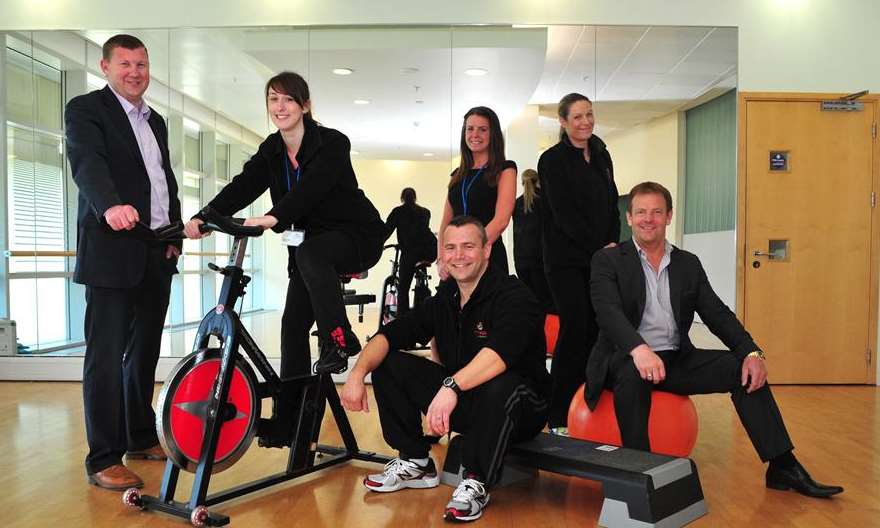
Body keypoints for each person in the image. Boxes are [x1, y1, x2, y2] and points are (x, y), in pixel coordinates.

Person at [588, 181, 843, 498]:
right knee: (631, 377)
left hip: (675, 358)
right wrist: (639, 350)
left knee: (743, 370)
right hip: (625, 358)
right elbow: (608, 313)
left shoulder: (687, 263)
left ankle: (783, 466)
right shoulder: (608, 260)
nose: (648, 219)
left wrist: (752, 352)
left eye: (656, 212)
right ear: (629, 218)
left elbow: (717, 314)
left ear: (669, 216)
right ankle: (640, 477)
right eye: (640, 212)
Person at [184, 71, 386, 443]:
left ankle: (338, 338)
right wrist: (206, 215)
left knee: (311, 252)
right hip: (310, 251)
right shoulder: (272, 150)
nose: (280, 107)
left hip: (355, 235)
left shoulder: (332, 143)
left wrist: (274, 217)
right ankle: (291, 423)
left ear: (305, 105)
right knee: (292, 327)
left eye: (288, 100)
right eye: (273, 100)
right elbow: (244, 184)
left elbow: (311, 190)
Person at [341, 216, 550, 522]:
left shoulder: (515, 296)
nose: (458, 255)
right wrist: (356, 375)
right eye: (450, 248)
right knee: (388, 362)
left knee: (501, 383)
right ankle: (415, 461)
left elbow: (498, 357)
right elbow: (389, 335)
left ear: (486, 250)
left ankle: (476, 481)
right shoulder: (446, 299)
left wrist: (450, 386)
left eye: (468, 246)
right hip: (468, 402)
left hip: (522, 408)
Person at [65, 34, 182, 490]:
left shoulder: (156, 121)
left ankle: (138, 434)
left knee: (145, 352)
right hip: (112, 249)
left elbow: (162, 180)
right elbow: (87, 164)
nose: (135, 72)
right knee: (106, 356)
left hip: (156, 249)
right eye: (125, 64)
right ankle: (103, 458)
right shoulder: (86, 109)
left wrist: (172, 232)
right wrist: (109, 205)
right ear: (105, 67)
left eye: (142, 64)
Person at [538, 92, 620, 431]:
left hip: (601, 258)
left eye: (589, 114)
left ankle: (589, 404)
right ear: (562, 122)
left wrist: (614, 242)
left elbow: (612, 203)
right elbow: (564, 216)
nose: (585, 122)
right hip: (566, 261)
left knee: (599, 329)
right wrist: (600, 248)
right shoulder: (552, 160)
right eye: (577, 117)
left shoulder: (601, 154)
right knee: (575, 329)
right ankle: (558, 415)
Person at [438, 106, 516, 278]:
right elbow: (445, 222)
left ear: (493, 134)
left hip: (488, 256)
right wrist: (442, 257)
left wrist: (473, 250)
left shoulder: (505, 169)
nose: (475, 135)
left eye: (483, 129)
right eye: (470, 129)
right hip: (456, 262)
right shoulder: (457, 175)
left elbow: (501, 220)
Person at [385, 187, 438, 314]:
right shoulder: (425, 212)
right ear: (415, 198)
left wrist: (377, 245)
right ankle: (423, 307)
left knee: (403, 288)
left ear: (402, 198)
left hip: (410, 253)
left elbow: (386, 230)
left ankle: (403, 319)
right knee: (420, 272)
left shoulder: (398, 212)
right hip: (429, 251)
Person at [512, 169, 554, 314]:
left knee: (529, 301)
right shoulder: (546, 201)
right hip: (541, 259)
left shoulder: (516, 204)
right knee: (546, 302)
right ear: (539, 181)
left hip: (521, 259)